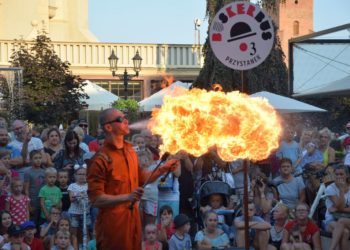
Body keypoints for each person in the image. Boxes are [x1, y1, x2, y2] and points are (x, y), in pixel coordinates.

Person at [87, 108, 180, 250]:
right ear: (108, 127)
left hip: (133, 221)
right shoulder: (100, 159)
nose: (126, 121)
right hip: (113, 225)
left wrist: (164, 168)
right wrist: (126, 197)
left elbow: (142, 178)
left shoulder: (130, 151)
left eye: (125, 117)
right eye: (120, 119)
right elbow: (96, 199)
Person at [323, 165, 350, 250]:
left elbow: (339, 208)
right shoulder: (330, 188)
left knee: (341, 221)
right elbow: (340, 206)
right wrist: (341, 191)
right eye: (336, 174)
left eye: (341, 174)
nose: (338, 176)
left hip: (347, 220)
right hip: (332, 220)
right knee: (345, 232)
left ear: (347, 175)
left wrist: (339, 209)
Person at [67, 165, 90, 244]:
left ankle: (86, 247)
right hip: (74, 213)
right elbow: (71, 199)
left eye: (84, 174)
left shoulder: (88, 186)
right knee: (74, 232)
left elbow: (91, 198)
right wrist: (79, 195)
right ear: (75, 175)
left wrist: (86, 196)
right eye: (79, 174)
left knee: (86, 231)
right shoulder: (72, 186)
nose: (82, 176)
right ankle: (74, 247)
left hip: (85, 212)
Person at [23, 150, 46, 225]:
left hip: (42, 201)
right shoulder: (28, 172)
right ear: (31, 160)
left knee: (42, 223)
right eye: (35, 158)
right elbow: (26, 190)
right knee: (33, 222)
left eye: (40, 158)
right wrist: (29, 205)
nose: (38, 160)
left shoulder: (44, 171)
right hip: (33, 201)